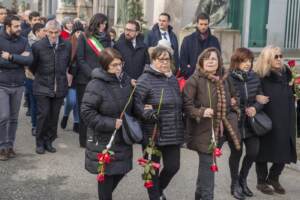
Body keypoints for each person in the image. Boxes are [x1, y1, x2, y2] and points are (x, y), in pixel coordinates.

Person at [183, 47, 240, 200]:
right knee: (208, 166)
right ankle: (207, 196)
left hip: (219, 130)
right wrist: (201, 112)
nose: (210, 61)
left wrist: (232, 104)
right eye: (207, 58)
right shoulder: (194, 80)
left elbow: (235, 98)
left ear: (219, 62)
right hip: (202, 130)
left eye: (214, 59)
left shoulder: (225, 79)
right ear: (201, 61)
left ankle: (199, 195)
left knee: (206, 168)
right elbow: (187, 106)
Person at [81, 48, 133, 200]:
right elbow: (87, 112)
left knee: (120, 170)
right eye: (114, 65)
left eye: (120, 64)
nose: (118, 68)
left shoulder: (125, 80)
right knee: (107, 177)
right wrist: (110, 123)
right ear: (105, 66)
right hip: (104, 139)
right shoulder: (95, 85)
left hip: (121, 137)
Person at [134, 46, 184, 200]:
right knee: (151, 169)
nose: (164, 62)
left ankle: (158, 189)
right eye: (160, 59)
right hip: (152, 132)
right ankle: (154, 196)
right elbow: (136, 103)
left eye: (167, 59)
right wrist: (147, 113)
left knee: (172, 167)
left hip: (172, 131)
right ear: (153, 60)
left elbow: (178, 102)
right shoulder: (145, 79)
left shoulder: (173, 79)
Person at [253, 46, 297, 195]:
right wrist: (257, 97)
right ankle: (261, 181)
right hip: (268, 118)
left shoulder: (287, 74)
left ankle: (273, 177)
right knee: (264, 150)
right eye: (275, 57)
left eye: (280, 56)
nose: (279, 59)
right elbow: (251, 94)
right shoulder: (260, 76)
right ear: (267, 59)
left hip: (286, 117)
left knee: (285, 148)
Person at [30, 20, 71, 154]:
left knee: (54, 117)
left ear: (60, 32)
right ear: (46, 32)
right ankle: (39, 142)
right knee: (44, 114)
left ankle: (49, 141)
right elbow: (32, 66)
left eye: (56, 32)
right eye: (50, 32)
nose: (53, 35)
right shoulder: (38, 46)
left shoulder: (66, 45)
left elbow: (68, 64)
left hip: (59, 86)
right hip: (42, 85)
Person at [228, 48, 263, 199]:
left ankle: (243, 179)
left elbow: (261, 98)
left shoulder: (255, 77)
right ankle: (234, 183)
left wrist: (255, 108)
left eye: (250, 61)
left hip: (251, 123)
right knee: (236, 153)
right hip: (235, 122)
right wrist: (231, 104)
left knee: (253, 151)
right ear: (236, 61)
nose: (248, 64)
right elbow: (222, 100)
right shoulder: (228, 78)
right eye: (244, 61)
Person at [0, 15, 33, 161]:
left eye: (19, 26)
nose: (20, 28)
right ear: (8, 27)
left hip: (19, 84)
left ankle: (10, 146)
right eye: (16, 26)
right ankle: (2, 147)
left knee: (13, 118)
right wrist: (19, 59)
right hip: (2, 84)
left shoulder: (24, 40)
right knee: (3, 116)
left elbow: (29, 60)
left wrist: (11, 57)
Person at [76, 13, 111, 147]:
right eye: (101, 23)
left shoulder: (107, 38)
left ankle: (97, 137)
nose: (103, 26)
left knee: (99, 109)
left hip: (102, 79)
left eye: (105, 24)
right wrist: (92, 73)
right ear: (95, 23)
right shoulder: (84, 37)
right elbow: (80, 59)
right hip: (85, 79)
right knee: (85, 109)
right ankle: (84, 139)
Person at [60, 21, 84, 133]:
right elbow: (64, 60)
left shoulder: (85, 42)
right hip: (70, 75)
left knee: (78, 101)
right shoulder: (68, 43)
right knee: (71, 100)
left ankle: (77, 122)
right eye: (78, 32)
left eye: (81, 32)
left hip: (81, 75)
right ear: (74, 32)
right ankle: (65, 115)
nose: (80, 34)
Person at [180, 13, 221, 78]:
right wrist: (190, 73)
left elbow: (219, 59)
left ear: (208, 24)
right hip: (192, 77)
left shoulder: (214, 40)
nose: (203, 27)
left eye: (205, 24)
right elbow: (183, 61)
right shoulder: (187, 40)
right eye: (201, 24)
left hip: (210, 78)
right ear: (197, 24)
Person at [27, 23, 47, 136]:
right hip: (32, 77)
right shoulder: (29, 43)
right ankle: (35, 125)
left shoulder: (48, 42)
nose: (46, 33)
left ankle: (44, 126)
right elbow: (28, 62)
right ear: (37, 32)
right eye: (44, 30)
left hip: (45, 78)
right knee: (35, 103)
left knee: (44, 105)